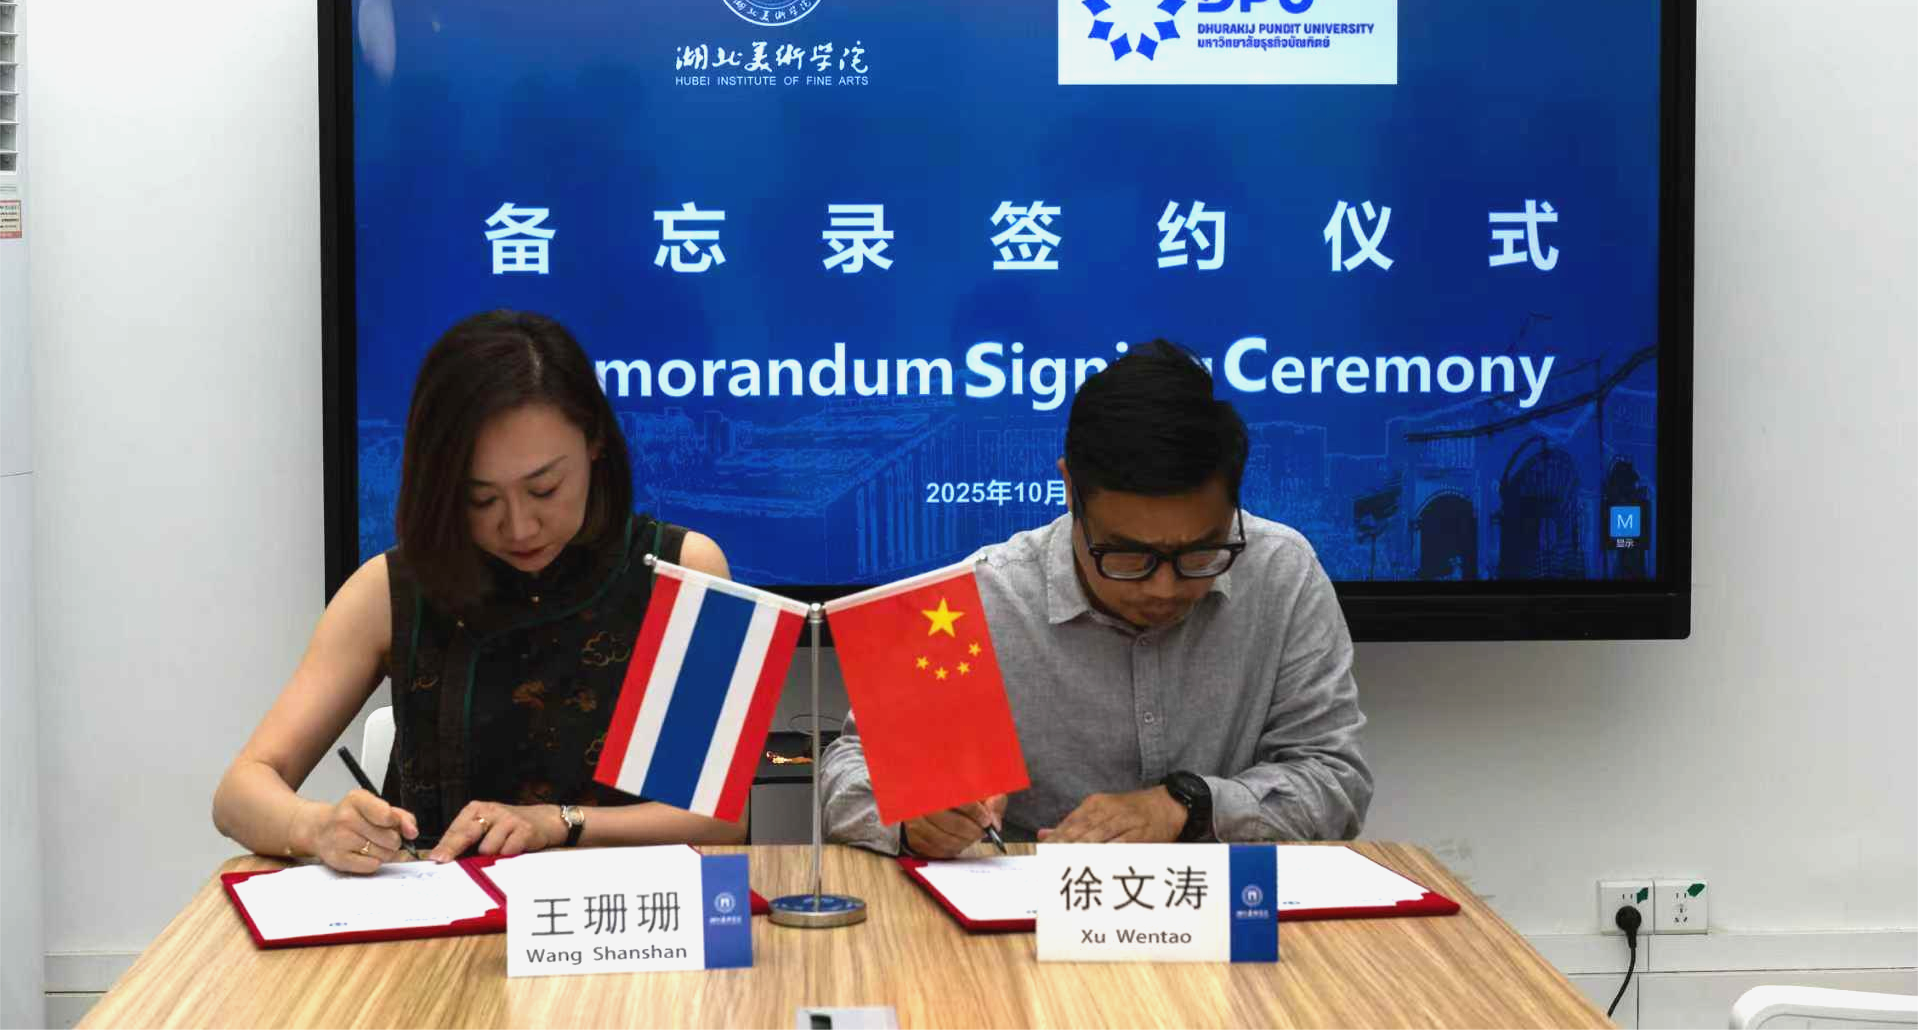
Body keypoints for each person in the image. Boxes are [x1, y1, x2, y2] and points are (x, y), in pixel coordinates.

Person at [213, 310, 746, 872]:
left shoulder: (686, 570)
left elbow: (720, 819)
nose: (519, 527)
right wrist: (317, 827)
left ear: (595, 442)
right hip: (439, 915)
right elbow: (238, 793)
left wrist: (558, 823)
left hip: (629, 913)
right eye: (481, 499)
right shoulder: (390, 590)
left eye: (544, 488)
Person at [820, 339, 1372, 856]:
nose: (1164, 588)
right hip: (1027, 912)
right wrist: (912, 816)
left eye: (1202, 552)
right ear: (1070, 488)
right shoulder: (983, 598)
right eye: (1128, 555)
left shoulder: (1281, 573)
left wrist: (1190, 806)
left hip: (1227, 909)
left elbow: (1336, 779)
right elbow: (849, 768)